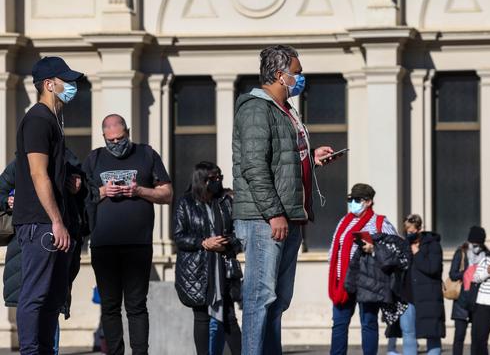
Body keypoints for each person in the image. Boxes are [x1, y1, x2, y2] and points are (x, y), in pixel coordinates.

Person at [232, 44, 337, 355]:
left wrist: (310, 158)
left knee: (278, 299)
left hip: (290, 216)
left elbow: (280, 158)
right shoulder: (256, 109)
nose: (301, 78)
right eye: (298, 73)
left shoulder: (285, 111)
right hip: (266, 219)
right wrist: (273, 213)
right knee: (259, 297)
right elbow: (253, 165)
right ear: (280, 75)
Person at [83, 114, 173, 355]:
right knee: (110, 306)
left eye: (120, 138)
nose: (115, 143)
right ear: (103, 137)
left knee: (136, 306)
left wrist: (140, 190)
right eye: (110, 140)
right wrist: (102, 191)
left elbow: (167, 194)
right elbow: (79, 197)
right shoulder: (94, 158)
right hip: (103, 245)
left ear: (128, 132)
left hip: (138, 244)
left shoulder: (146, 154)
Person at [12, 56, 83, 354]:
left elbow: (50, 173)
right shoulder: (38, 120)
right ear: (49, 84)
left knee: (52, 298)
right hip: (42, 224)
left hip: (51, 224)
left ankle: (43, 350)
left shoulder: (52, 121)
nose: (72, 86)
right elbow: (37, 172)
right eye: (66, 80)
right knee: (36, 295)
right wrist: (56, 221)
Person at [173, 162, 242, 355]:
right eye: (213, 178)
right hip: (197, 269)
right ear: (201, 180)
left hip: (224, 267)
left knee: (229, 317)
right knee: (201, 317)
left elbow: (239, 234)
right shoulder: (185, 202)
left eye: (219, 177)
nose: (218, 181)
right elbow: (179, 236)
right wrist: (204, 242)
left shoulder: (226, 201)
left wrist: (226, 242)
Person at [327, 183, 399, 355]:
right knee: (339, 323)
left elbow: (395, 250)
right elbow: (333, 250)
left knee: (368, 322)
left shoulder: (380, 222)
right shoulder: (344, 222)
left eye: (357, 200)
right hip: (343, 281)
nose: (352, 203)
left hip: (367, 281)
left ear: (368, 201)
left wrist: (373, 249)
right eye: (350, 199)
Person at [399, 214, 445, 355]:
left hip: (428, 297)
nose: (409, 234)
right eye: (407, 231)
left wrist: (417, 252)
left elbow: (432, 268)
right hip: (408, 295)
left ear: (419, 229)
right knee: (408, 332)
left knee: (432, 333)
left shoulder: (433, 245)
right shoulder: (404, 245)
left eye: (412, 231)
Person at [449, 226, 487, 355]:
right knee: (459, 335)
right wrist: (467, 272)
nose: (475, 246)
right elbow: (452, 274)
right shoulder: (461, 252)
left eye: (478, 243)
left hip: (478, 299)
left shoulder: (486, 254)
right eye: (473, 243)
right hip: (462, 300)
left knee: (476, 336)